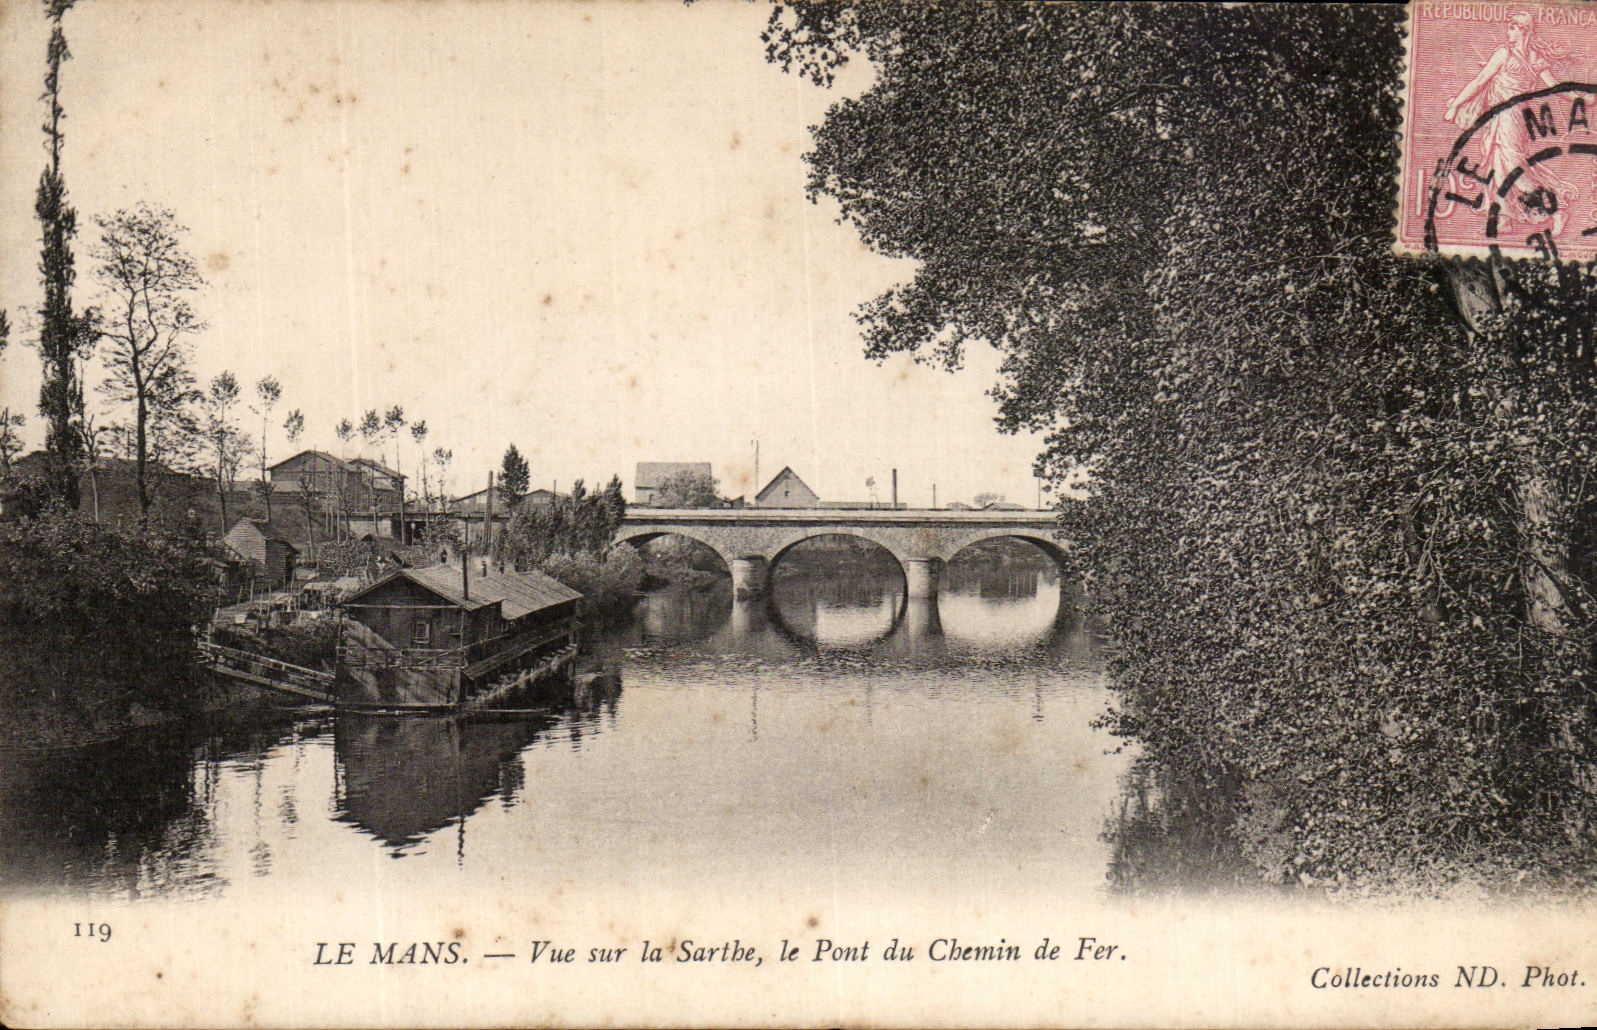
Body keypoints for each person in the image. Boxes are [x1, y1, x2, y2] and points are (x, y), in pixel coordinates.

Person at [1444, 11, 1573, 235]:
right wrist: (1457, 103)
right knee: (1497, 166)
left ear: (1523, 29)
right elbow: (1480, 82)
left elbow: (1479, 82)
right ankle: (1503, 216)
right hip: (1504, 118)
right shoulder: (1521, 55)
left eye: (1512, 27)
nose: (1508, 32)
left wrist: (1583, 96)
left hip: (1510, 119)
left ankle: (1554, 212)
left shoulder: (1513, 55)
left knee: (1512, 167)